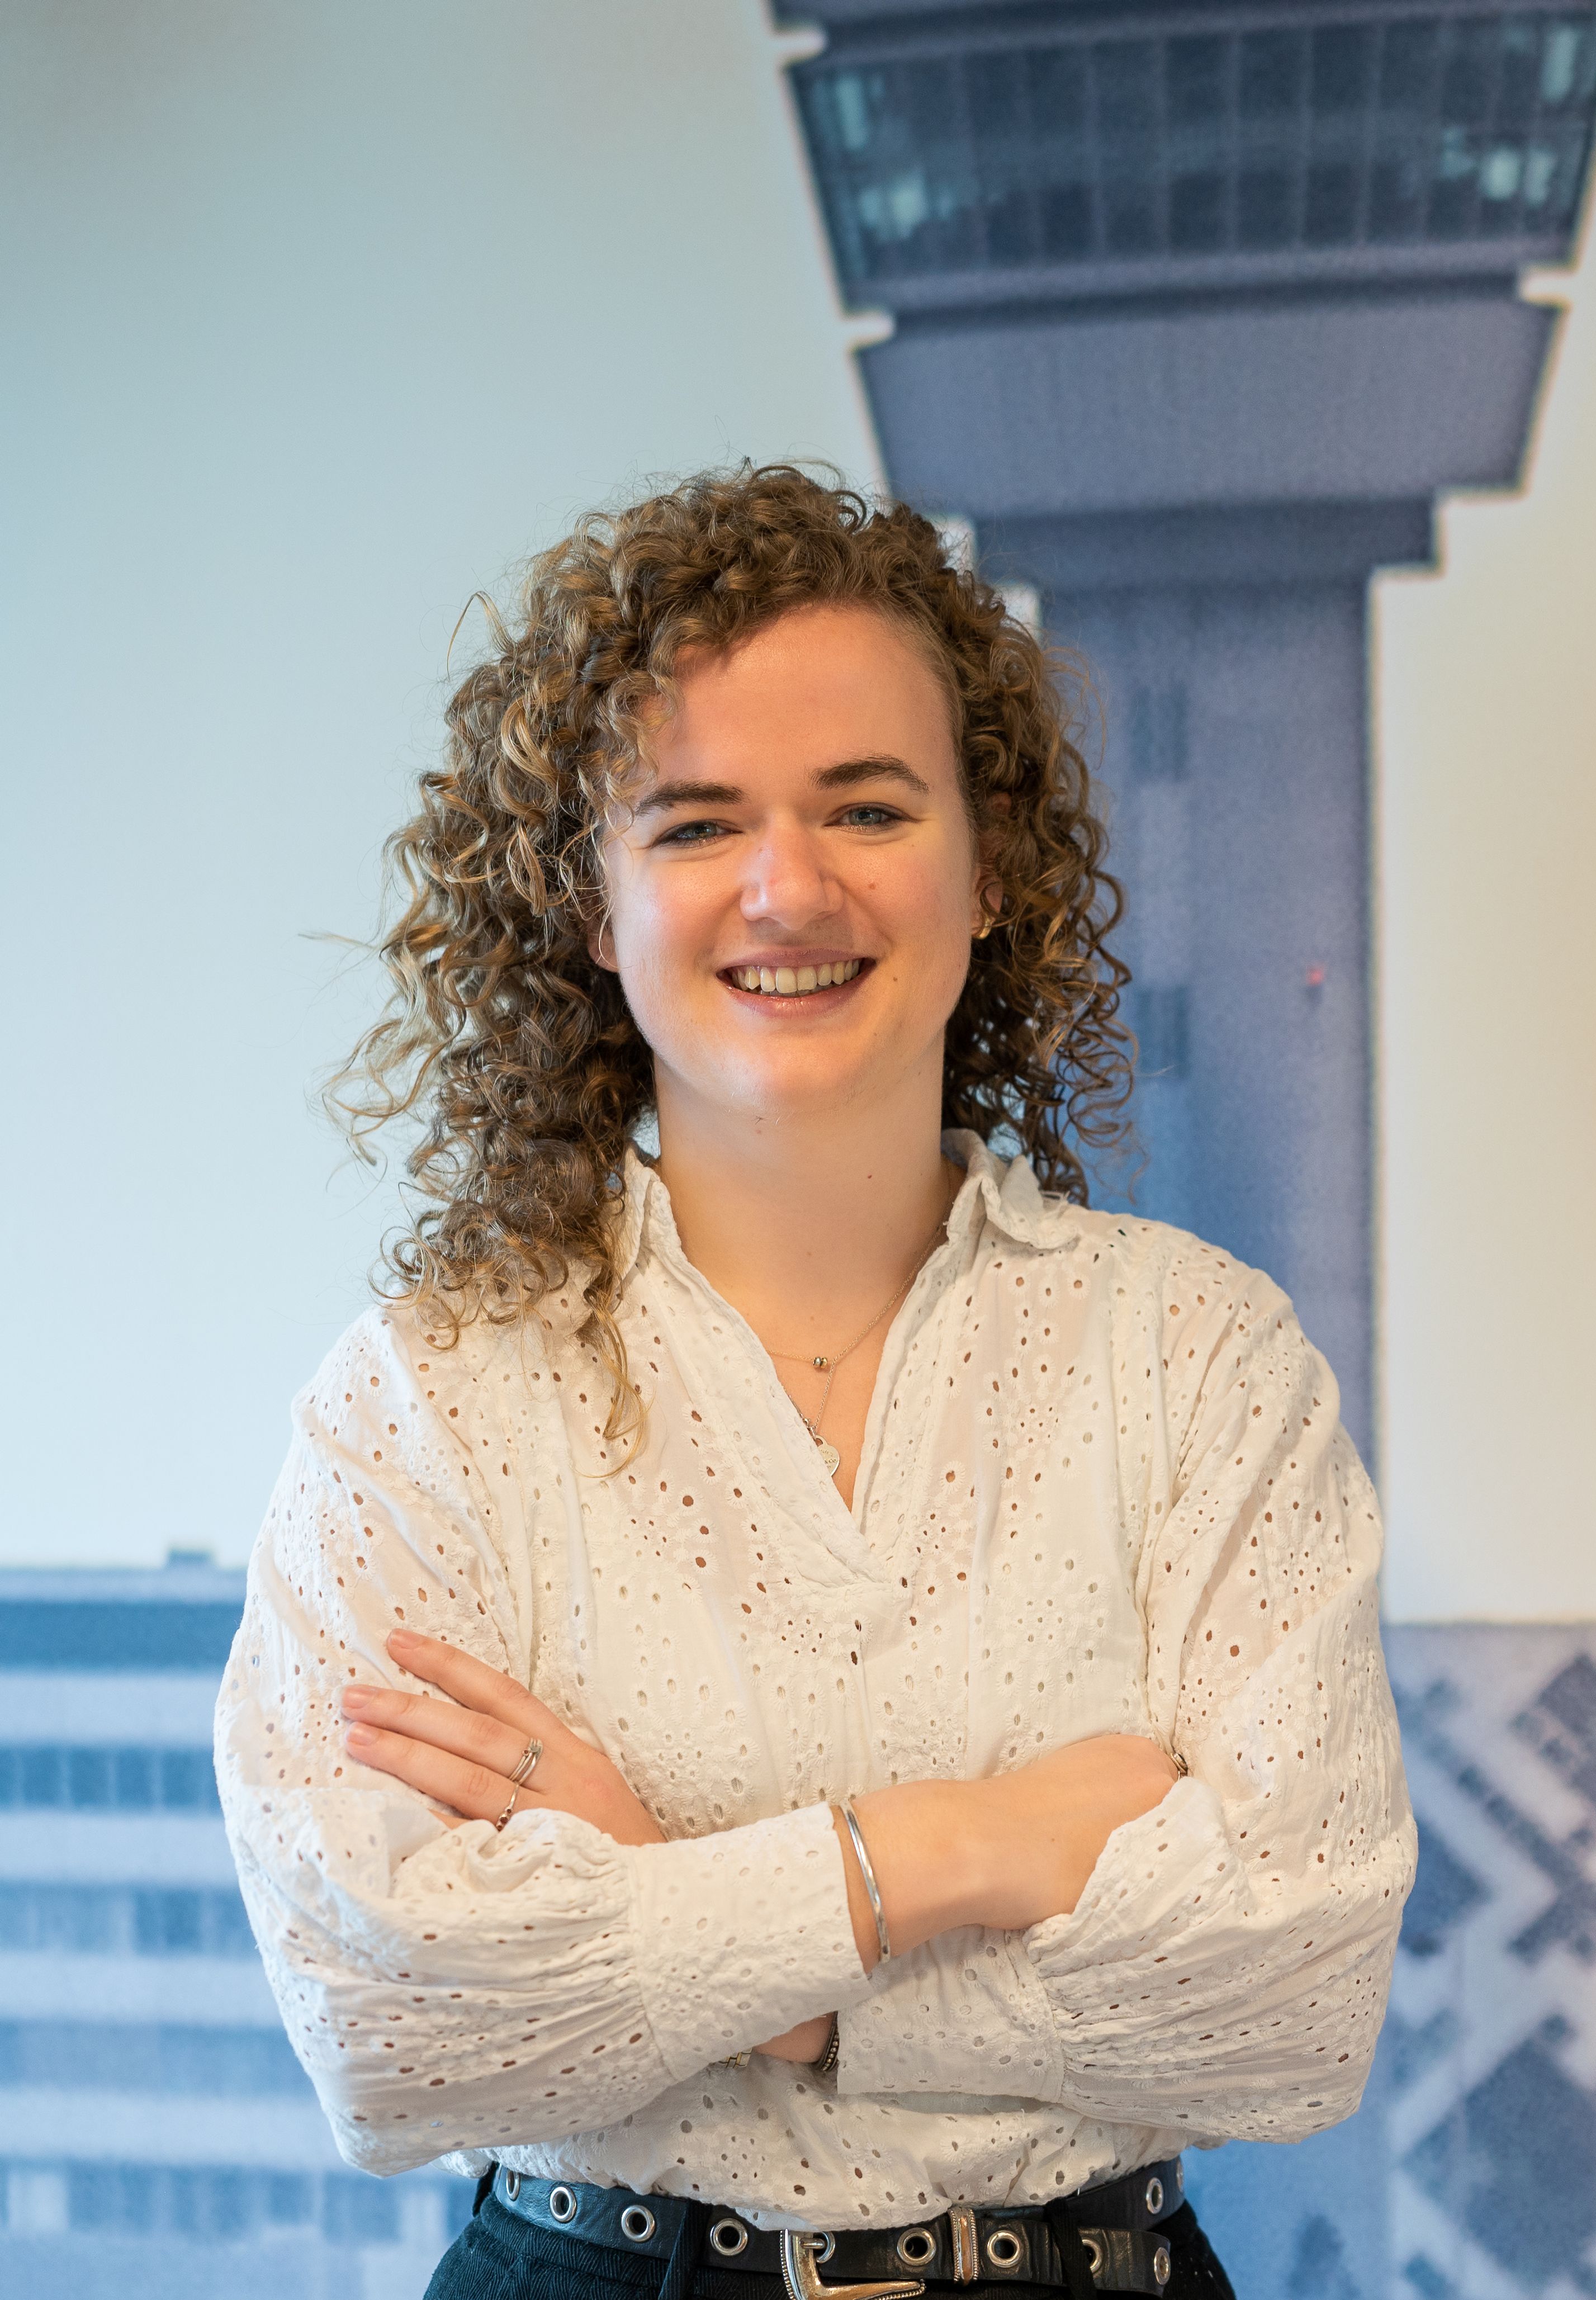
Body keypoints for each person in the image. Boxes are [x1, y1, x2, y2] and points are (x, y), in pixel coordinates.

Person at [215, 469, 1413, 2300]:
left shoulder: (1205, 1360)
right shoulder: (428, 1402)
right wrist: (947, 1847)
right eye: (696, 823)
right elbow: (396, 2027)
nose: (791, 885)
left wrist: (727, 1957)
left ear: (989, 863)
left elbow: (1293, 1999)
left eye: (869, 803)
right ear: (587, 900)